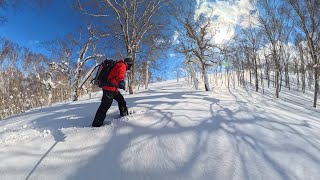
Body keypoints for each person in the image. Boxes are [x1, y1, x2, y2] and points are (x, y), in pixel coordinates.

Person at [92, 58, 133, 127]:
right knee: (105, 106)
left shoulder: (119, 64)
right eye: (131, 65)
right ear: (128, 64)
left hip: (113, 89)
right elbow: (120, 76)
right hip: (109, 89)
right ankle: (96, 123)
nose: (130, 67)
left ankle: (124, 114)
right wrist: (121, 82)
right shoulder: (122, 65)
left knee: (121, 101)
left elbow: (114, 76)